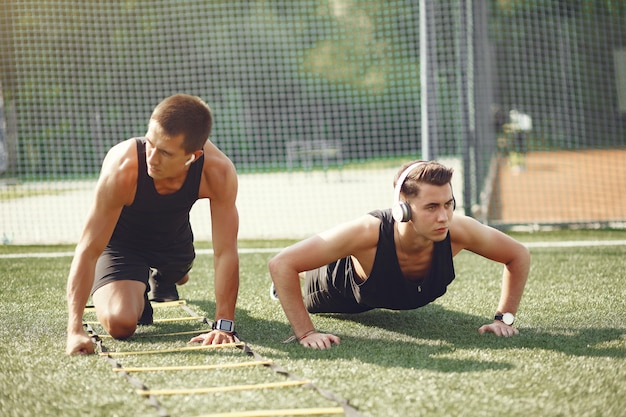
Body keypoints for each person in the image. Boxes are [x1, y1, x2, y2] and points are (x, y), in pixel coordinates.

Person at [268, 160, 530, 349]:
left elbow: (518, 254)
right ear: (402, 209)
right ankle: (294, 282)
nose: (443, 216)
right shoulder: (367, 231)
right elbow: (281, 264)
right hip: (337, 291)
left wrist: (504, 319)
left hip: (397, 291)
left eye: (448, 204)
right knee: (298, 272)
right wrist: (306, 333)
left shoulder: (458, 229)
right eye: (431, 207)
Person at [66, 94, 240, 355]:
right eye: (150, 143)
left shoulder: (218, 172)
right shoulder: (122, 167)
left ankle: (166, 277)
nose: (152, 157)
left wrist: (224, 325)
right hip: (122, 245)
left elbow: (225, 251)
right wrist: (74, 330)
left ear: (192, 156)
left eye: (165, 152)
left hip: (174, 242)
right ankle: (138, 293)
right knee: (120, 323)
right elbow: (88, 249)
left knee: (178, 274)